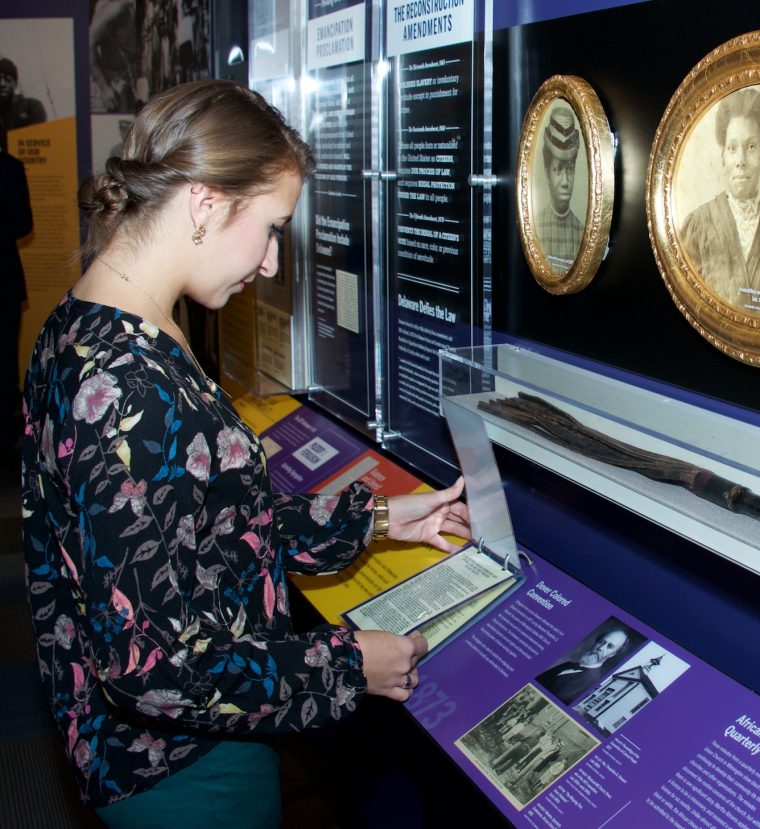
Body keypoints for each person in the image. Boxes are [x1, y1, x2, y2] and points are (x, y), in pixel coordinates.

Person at [21, 79, 471, 827]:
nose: (269, 261)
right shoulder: (124, 385)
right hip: (183, 774)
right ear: (204, 204)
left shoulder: (92, 324)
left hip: (174, 753)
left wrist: (381, 515)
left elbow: (207, 520)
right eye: (269, 227)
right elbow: (152, 666)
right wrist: (350, 664)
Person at [679, 87, 760, 315]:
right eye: (732, 148)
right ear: (723, 158)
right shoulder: (697, 225)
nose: (741, 161)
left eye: (751, 147)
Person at [0, 144, 31, 449]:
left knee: (6, 354)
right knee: (5, 354)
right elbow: (24, 224)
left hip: (5, 278)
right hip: (6, 276)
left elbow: (24, 223)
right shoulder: (10, 168)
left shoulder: (10, 168)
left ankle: (7, 434)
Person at [535, 105, 584, 273]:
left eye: (569, 169)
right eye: (558, 169)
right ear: (547, 171)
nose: (565, 182)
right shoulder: (535, 227)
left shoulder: (581, 233)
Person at [536, 627, 631, 704]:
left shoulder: (593, 682)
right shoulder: (568, 664)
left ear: (613, 654)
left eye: (610, 647)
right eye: (602, 642)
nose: (601, 648)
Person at [0, 57, 47, 138]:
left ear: (15, 84)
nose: (2, 84)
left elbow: (38, 140)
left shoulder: (32, 107)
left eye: (8, 79)